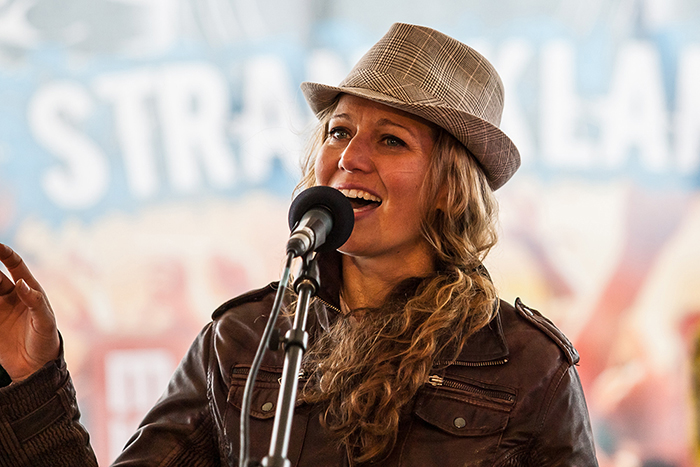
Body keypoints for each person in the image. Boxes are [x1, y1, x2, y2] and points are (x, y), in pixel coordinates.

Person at [0, 23, 598, 466]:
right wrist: (32, 378)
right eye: (339, 131)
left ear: (450, 189)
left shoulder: (529, 365)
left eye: (391, 140)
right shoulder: (241, 340)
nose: (350, 157)